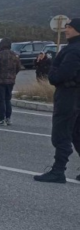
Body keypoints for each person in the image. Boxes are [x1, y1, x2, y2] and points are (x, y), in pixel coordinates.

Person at [35, 19, 80, 183]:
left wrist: (53, 71)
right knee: (77, 134)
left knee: (61, 135)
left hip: (68, 96)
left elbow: (59, 75)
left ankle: (58, 171)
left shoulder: (73, 50)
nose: (66, 30)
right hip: (75, 96)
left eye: (69, 27)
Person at [0, 38, 21, 126]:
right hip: (10, 81)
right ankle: (8, 118)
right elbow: (18, 67)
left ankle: (1, 118)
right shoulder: (15, 55)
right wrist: (13, 75)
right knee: (7, 99)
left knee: (0, 100)